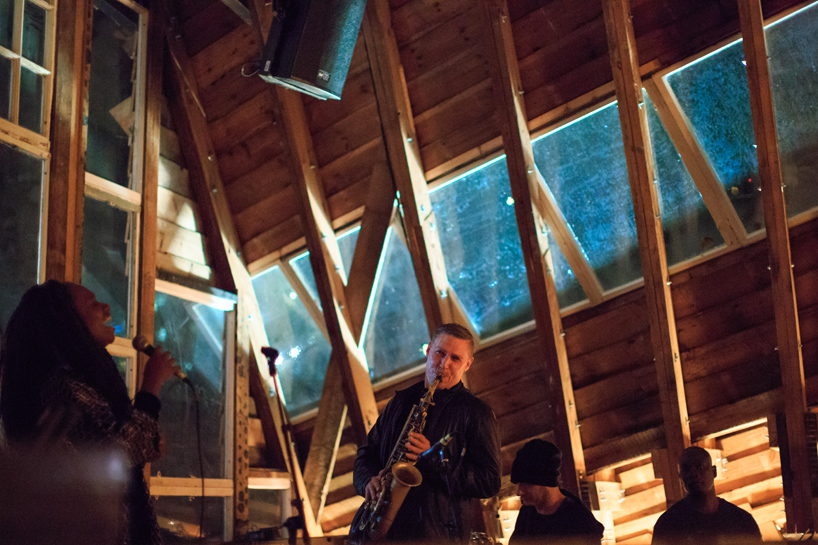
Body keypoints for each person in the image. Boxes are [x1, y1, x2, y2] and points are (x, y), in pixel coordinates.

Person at [0, 281, 179, 545]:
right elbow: (120, 450)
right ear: (66, 322)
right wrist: (151, 386)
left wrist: (146, 434)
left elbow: (125, 447)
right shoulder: (62, 387)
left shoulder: (74, 382)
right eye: (92, 303)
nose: (106, 307)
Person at [352, 323, 501, 542]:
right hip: (386, 534)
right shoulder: (401, 401)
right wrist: (367, 480)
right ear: (429, 350)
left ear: (467, 365)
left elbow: (489, 482)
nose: (444, 364)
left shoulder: (477, 413)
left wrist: (433, 459)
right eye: (440, 353)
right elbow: (367, 454)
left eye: (455, 359)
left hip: (436, 536)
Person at [651, 446, 761, 545]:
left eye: (700, 466)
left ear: (714, 472)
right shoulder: (667, 525)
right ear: (681, 477)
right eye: (686, 469)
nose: (693, 473)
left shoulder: (742, 521)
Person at [509, 439, 603, 544]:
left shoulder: (580, 522)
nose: (519, 492)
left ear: (545, 482)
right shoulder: (527, 513)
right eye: (518, 484)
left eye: (526, 484)